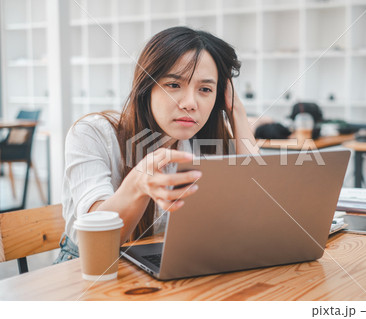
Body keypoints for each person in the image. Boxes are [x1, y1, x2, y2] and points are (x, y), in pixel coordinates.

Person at [55, 26, 258, 263]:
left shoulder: (199, 143)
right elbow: (97, 240)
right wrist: (139, 183)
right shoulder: (92, 134)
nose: (190, 103)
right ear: (146, 87)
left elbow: (258, 208)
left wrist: (238, 114)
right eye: (173, 85)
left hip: (160, 264)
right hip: (87, 269)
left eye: (205, 89)